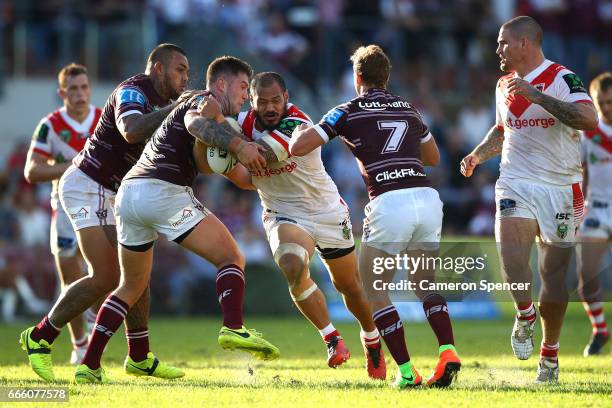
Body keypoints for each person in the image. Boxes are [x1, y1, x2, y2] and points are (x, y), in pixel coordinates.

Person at [74, 56, 278, 383]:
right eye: (243, 87)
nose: (246, 96)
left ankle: (89, 365)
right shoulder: (205, 101)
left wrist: (278, 177)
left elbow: (240, 177)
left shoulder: (220, 123)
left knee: (131, 285)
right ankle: (234, 328)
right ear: (222, 84)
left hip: (130, 194)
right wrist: (240, 144)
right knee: (232, 256)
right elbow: (197, 125)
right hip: (163, 190)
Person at [20, 43, 195, 382]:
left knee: (137, 271)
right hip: (87, 184)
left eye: (188, 71)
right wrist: (176, 110)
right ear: (158, 68)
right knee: (107, 277)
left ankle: (140, 356)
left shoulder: (166, 103)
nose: (186, 77)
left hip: (116, 193)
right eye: (180, 69)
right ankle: (40, 337)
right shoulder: (132, 91)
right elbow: (131, 130)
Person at [289, 45, 460, 389]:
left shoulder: (346, 110)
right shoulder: (407, 107)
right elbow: (433, 157)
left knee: (375, 289)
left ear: (357, 78)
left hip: (389, 200)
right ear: (387, 77)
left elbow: (300, 146)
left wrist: (296, 131)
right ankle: (447, 352)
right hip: (426, 198)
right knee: (425, 284)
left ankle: (408, 373)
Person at [196, 71, 386, 379]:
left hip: (325, 211)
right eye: (262, 102)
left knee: (348, 285)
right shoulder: (244, 124)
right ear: (253, 102)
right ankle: (331, 338)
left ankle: (371, 339)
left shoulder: (297, 124)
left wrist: (219, 130)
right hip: (282, 212)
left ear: (286, 99)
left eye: (276, 101)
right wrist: (216, 142)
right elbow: (243, 178)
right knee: (292, 264)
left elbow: (263, 155)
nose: (270, 108)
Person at [460, 16, 598, 383]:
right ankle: (524, 314)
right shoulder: (503, 84)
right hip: (515, 182)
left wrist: (535, 94)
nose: (498, 50)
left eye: (503, 43)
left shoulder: (563, 78)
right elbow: (503, 130)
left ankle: (549, 356)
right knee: (511, 256)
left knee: (553, 277)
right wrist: (478, 154)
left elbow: (588, 119)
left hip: (562, 187)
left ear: (525, 43)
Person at [24, 63, 101, 365]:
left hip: (103, 208)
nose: (80, 94)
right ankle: (79, 345)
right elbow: (32, 170)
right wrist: (75, 165)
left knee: (103, 275)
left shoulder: (103, 119)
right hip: (67, 210)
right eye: (73, 89)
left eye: (84, 87)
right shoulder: (50, 125)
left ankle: (96, 324)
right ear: (62, 93)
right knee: (71, 281)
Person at [577, 71, 612, 356]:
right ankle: (600, 330)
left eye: (610, 101)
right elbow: (581, 172)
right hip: (597, 210)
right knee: (587, 279)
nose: (606, 107)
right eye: (601, 102)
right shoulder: (588, 133)